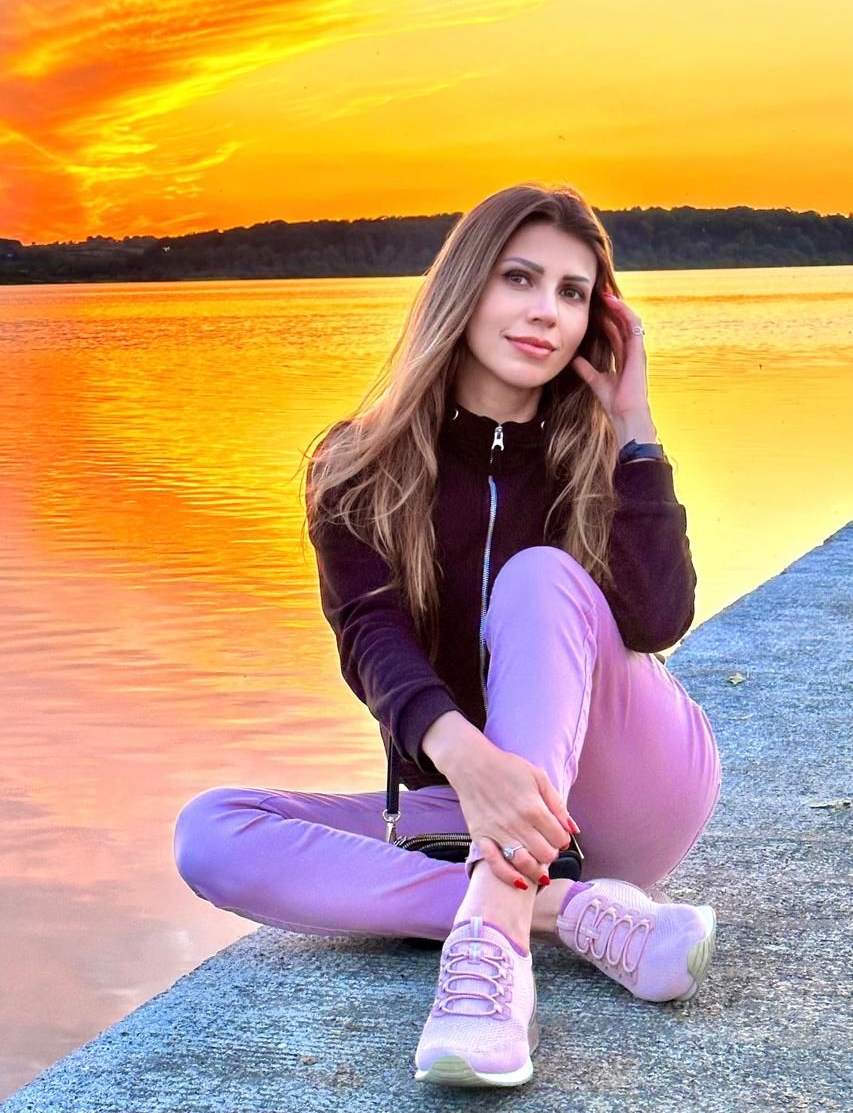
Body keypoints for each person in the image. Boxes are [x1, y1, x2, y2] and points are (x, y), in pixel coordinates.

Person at [173, 181, 721, 1089]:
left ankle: (491, 959)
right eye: (519, 278)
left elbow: (659, 620)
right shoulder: (358, 463)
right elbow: (370, 633)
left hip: (630, 788)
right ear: (464, 286)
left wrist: (634, 425)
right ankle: (575, 914)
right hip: (467, 803)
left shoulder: (596, 457)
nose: (544, 312)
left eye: (572, 293)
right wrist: (470, 763)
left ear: (595, 322)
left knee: (538, 578)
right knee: (211, 833)